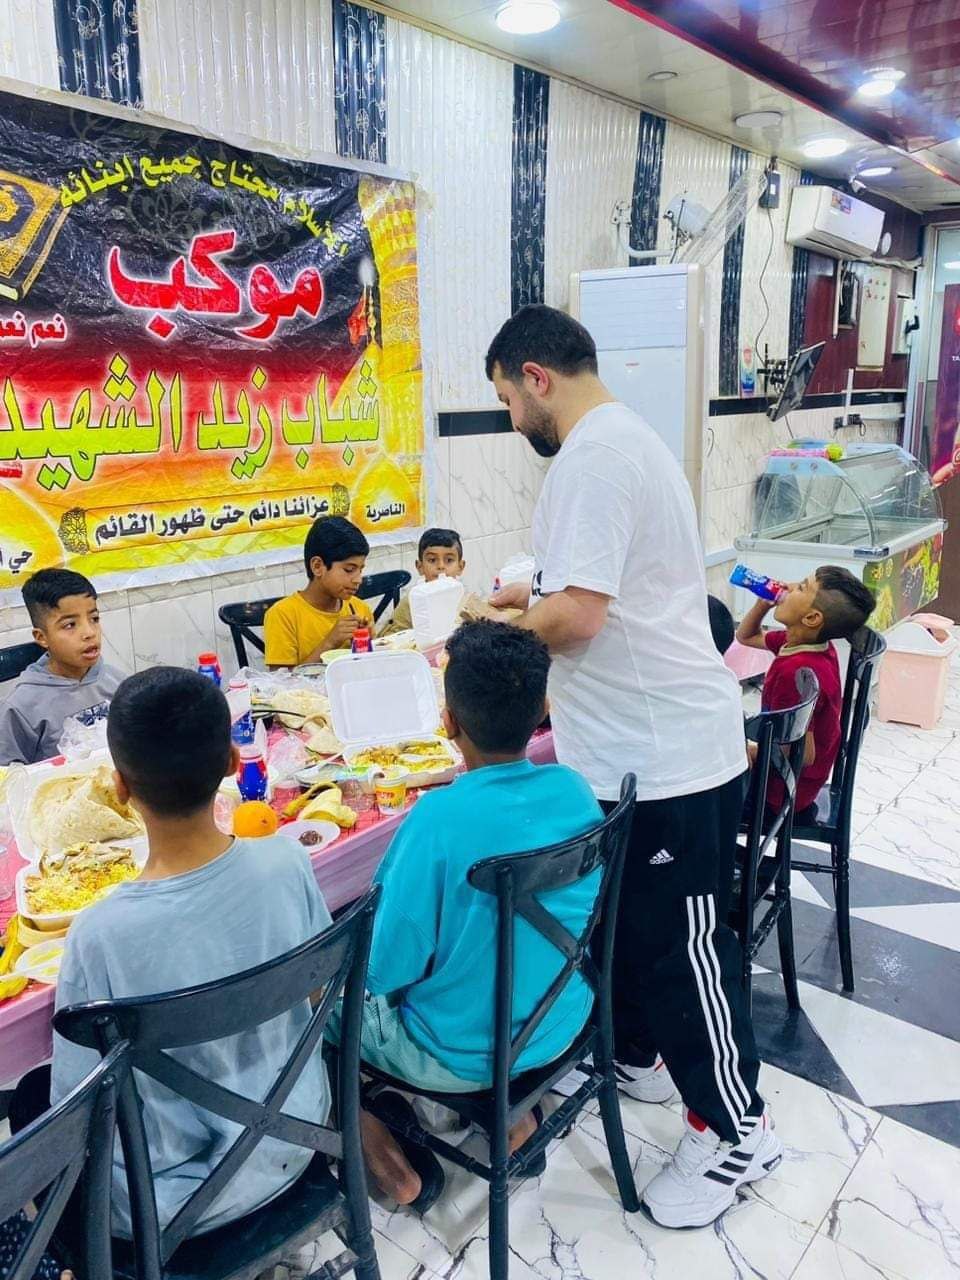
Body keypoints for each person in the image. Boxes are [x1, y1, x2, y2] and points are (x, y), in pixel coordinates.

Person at [485, 304, 776, 1229]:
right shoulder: (617, 442)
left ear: (536, 376)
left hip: (668, 757)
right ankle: (644, 1055)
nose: (511, 421)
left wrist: (490, 631)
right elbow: (586, 587)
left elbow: (578, 618)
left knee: (683, 949)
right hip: (637, 752)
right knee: (642, 931)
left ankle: (737, 1127)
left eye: (507, 399)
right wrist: (529, 591)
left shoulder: (596, 455)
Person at [25, 667, 333, 1244]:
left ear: (119, 787)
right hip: (300, 1135)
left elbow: (77, 1100)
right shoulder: (287, 863)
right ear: (232, 763)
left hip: (166, 1203)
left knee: (28, 1101)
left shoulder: (98, 933)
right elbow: (319, 995)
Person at [330, 620, 603, 1211]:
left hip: (456, 1055)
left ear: (448, 722)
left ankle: (389, 1164)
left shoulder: (437, 819)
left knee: (315, 1008)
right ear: (544, 710)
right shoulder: (575, 789)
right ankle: (515, 1118)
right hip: (563, 1018)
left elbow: (381, 972)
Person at [736, 566, 875, 820]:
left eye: (801, 587)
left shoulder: (796, 673)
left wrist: (751, 751)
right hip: (789, 778)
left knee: (702, 781)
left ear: (811, 618)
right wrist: (761, 605)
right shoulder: (806, 643)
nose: (788, 587)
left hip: (782, 792)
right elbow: (746, 636)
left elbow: (805, 754)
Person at [0, 569, 124, 766]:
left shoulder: (117, 681)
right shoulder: (21, 707)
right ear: (42, 637)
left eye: (94, 619)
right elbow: (8, 774)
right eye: (70, 625)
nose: (89, 633)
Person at [264, 516, 374, 667]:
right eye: (349, 569)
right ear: (317, 566)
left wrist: (368, 643)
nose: (358, 579)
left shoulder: (360, 609)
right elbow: (281, 679)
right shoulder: (283, 615)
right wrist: (329, 643)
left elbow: (369, 668)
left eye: (360, 570)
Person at [379, 527, 466, 637]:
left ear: (460, 567)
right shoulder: (411, 601)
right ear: (420, 567)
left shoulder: (462, 598)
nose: (441, 566)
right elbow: (390, 638)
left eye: (449, 560)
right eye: (432, 560)